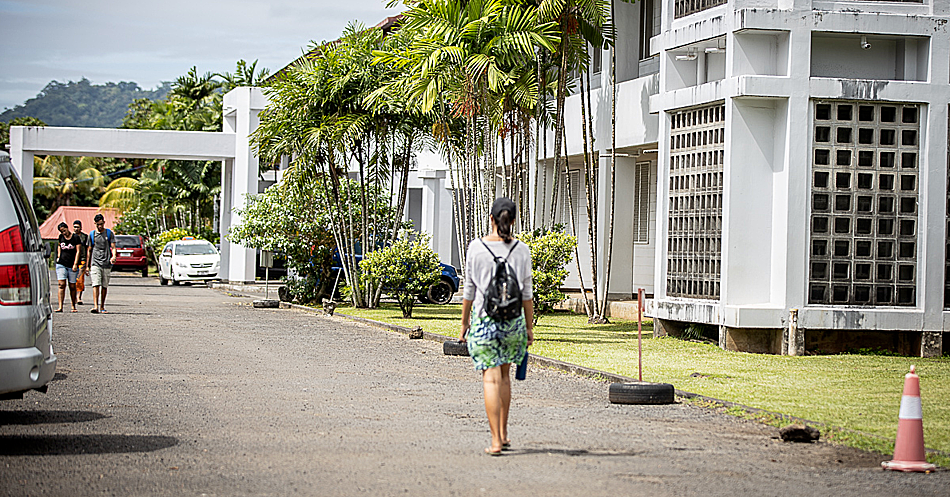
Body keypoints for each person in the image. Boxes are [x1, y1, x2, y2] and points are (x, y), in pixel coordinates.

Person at [459, 197, 534, 456]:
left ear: (491, 218)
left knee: (491, 379)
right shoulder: (522, 250)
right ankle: (503, 433)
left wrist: (464, 322)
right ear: (512, 221)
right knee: (504, 377)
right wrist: (529, 327)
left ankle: (495, 442)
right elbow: (527, 294)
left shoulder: (476, 247)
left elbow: (469, 290)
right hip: (513, 322)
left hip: (485, 321)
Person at [87, 213, 116, 314]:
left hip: (106, 263)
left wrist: (114, 256)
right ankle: (95, 306)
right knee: (96, 284)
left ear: (104, 222)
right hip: (95, 262)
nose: (100, 226)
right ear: (95, 224)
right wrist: (87, 265)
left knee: (104, 285)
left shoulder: (109, 233)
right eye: (98, 224)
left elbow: (113, 247)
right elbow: (89, 250)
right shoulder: (92, 235)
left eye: (101, 224)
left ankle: (102, 306)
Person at [54, 222, 83, 312]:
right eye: (62, 231)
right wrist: (59, 256)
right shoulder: (61, 237)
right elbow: (59, 246)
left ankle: (73, 305)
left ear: (67, 228)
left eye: (64, 230)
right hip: (61, 263)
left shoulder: (75, 238)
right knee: (61, 284)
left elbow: (78, 251)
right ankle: (60, 306)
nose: (64, 233)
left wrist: (75, 264)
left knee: (72, 286)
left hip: (72, 264)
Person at [72, 220, 88, 305]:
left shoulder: (84, 237)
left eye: (77, 227)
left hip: (82, 259)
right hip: (72, 260)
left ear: (81, 228)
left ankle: (79, 297)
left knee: (80, 279)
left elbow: (88, 249)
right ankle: (73, 296)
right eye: (74, 227)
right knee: (73, 280)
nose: (76, 229)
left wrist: (87, 263)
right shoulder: (71, 237)